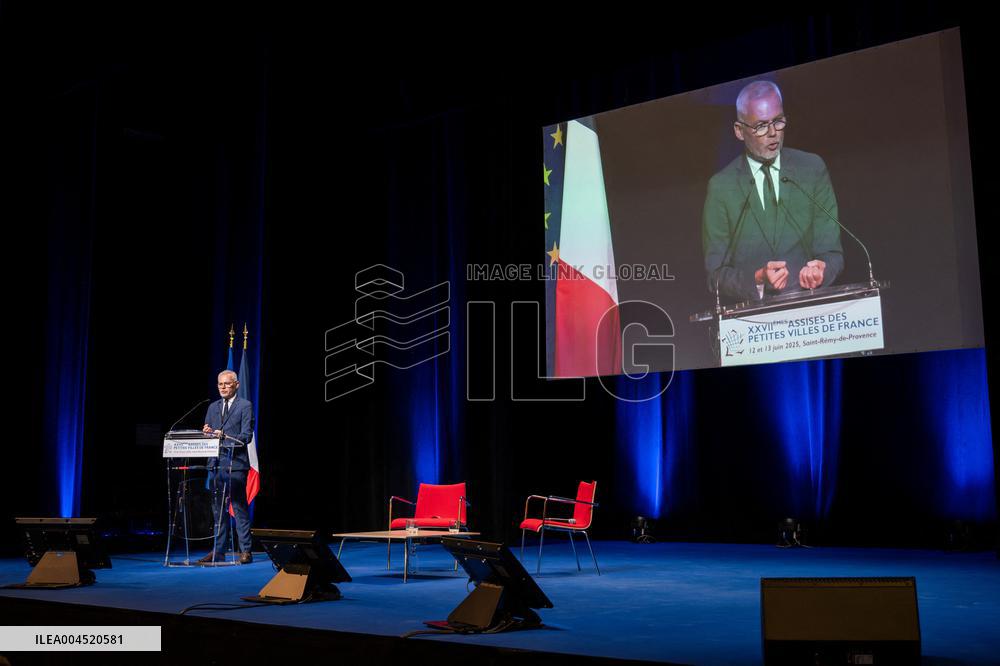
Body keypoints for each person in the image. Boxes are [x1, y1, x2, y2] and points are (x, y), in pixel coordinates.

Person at [702, 80, 843, 304]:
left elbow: (832, 254)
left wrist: (821, 271)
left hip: (812, 313)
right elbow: (715, 275)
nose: (772, 133)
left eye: (778, 121)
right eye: (760, 126)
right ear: (739, 131)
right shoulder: (721, 187)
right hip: (755, 323)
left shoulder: (812, 169)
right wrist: (756, 279)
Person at [198, 369, 255, 565]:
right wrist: (207, 433)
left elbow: (246, 436)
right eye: (220, 384)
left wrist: (222, 436)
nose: (223, 387)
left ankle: (246, 550)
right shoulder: (213, 407)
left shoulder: (245, 406)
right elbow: (210, 433)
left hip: (236, 465)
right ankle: (218, 551)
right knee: (217, 511)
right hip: (215, 464)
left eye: (227, 384)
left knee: (238, 508)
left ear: (236, 385)